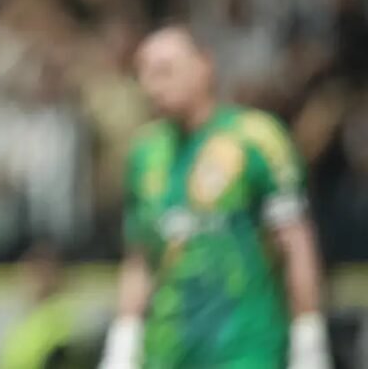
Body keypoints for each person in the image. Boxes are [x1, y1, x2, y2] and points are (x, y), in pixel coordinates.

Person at [99, 24, 331, 369]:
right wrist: (123, 340)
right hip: (166, 352)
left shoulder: (257, 139)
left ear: (204, 66)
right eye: (143, 73)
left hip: (246, 349)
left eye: (164, 71)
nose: (151, 85)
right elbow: (140, 258)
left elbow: (295, 244)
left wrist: (308, 336)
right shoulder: (144, 153)